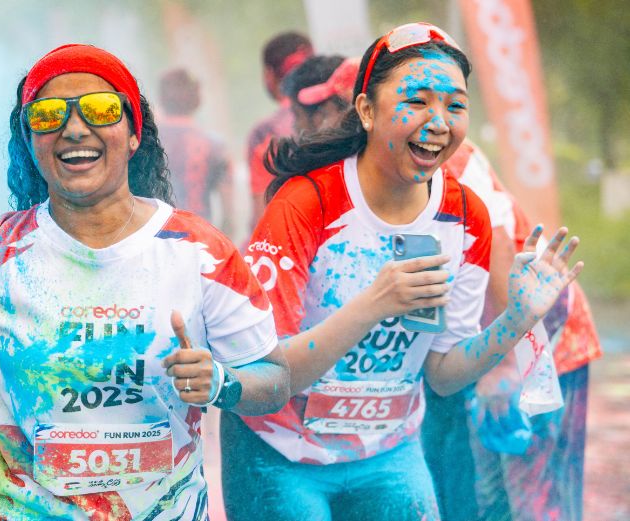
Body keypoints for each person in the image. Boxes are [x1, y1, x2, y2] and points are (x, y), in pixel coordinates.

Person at [0, 44, 290, 521]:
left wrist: (222, 384)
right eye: (48, 115)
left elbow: (275, 380)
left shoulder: (200, 253)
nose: (75, 128)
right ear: (30, 140)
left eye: (100, 110)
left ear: (134, 134)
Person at [219, 22, 583, 520]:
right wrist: (375, 304)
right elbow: (267, 374)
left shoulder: (463, 216)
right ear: (366, 110)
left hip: (388, 453)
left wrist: (514, 322)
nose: (439, 122)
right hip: (278, 451)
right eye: (417, 101)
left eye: (455, 105)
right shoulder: (308, 203)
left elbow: (443, 374)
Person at [442, 142, 602, 521]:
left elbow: (494, 234)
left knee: (535, 496)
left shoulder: (443, 149)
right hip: (481, 345)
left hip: (536, 333)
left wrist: (503, 366)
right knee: (489, 496)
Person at [246, 31, 313, 229]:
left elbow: (262, 217)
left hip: (292, 237)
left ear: (268, 74)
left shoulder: (264, 133)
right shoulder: (344, 113)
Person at [157, 68, 234, 234]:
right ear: (198, 100)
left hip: (152, 238)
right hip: (199, 237)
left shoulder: (143, 142)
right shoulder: (216, 145)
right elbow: (229, 216)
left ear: (162, 98)